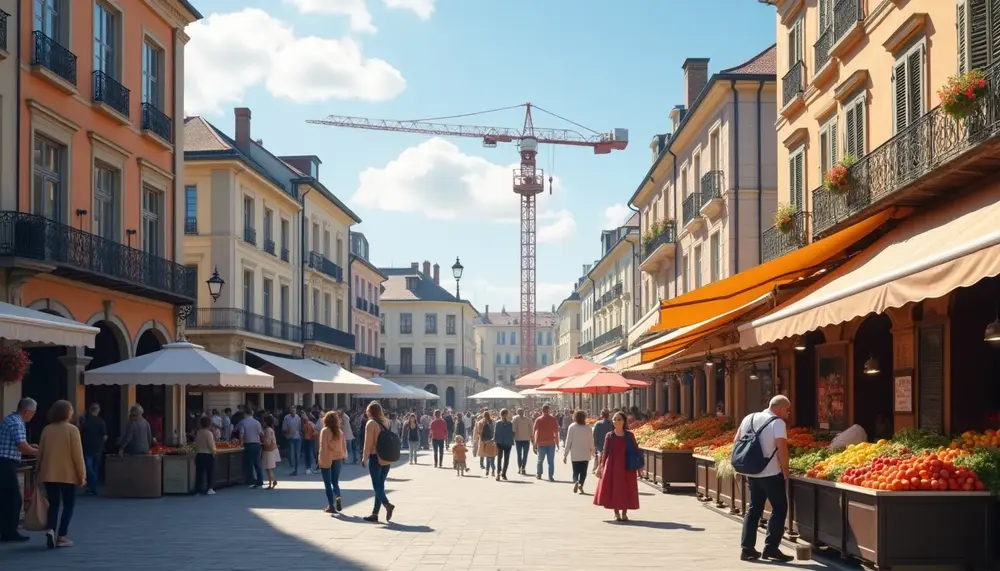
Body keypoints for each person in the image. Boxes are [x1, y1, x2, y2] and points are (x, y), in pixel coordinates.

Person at [736, 395, 793, 562]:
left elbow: (737, 441)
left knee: (753, 510)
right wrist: (786, 472)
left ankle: (747, 549)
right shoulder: (778, 423)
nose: (788, 413)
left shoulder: (749, 418)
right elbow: (782, 449)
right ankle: (771, 549)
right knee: (780, 509)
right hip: (771, 473)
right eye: (787, 409)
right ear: (780, 408)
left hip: (752, 472)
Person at [36, 400, 86, 548]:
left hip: (49, 473)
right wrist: (82, 475)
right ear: (67, 413)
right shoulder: (72, 430)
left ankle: (51, 529)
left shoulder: (47, 429)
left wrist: (39, 469)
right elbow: (77, 455)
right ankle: (62, 535)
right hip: (68, 475)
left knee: (54, 503)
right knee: (69, 505)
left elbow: (40, 452)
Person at [593, 411, 640, 521]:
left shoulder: (629, 435)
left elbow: (635, 450)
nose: (616, 421)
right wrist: (601, 466)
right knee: (615, 488)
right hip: (612, 465)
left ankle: (624, 513)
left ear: (624, 421)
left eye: (619, 419)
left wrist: (639, 465)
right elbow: (605, 451)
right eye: (614, 419)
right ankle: (616, 512)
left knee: (627, 488)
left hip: (627, 465)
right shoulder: (609, 435)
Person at [361, 401, 396, 523]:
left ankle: (387, 504)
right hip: (387, 457)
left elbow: (368, 443)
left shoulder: (371, 423)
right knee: (380, 485)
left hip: (376, 457)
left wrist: (364, 458)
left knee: (376, 485)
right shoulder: (387, 421)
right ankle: (375, 513)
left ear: (370, 411)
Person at [318, 411, 347, 514]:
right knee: (335, 482)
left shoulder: (325, 431)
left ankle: (331, 505)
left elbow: (323, 447)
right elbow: (343, 445)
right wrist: (344, 455)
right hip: (338, 458)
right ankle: (337, 496)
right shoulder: (340, 431)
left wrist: (320, 460)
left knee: (327, 483)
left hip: (327, 458)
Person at [78, 403, 106, 496]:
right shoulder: (101, 421)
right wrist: (101, 443)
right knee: (95, 467)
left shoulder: (85, 421)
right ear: (97, 411)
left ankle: (92, 485)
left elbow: (80, 433)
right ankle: (93, 485)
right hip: (98, 447)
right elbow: (105, 436)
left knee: (88, 467)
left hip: (87, 446)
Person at [564, 410, 595, 494]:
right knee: (583, 471)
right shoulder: (588, 428)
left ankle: (576, 481)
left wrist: (565, 454)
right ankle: (581, 484)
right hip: (585, 453)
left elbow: (568, 441)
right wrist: (593, 450)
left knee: (575, 471)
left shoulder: (572, 427)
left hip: (575, 454)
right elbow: (591, 441)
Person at [236, 410, 265, 489]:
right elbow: (261, 433)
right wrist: (263, 441)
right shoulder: (257, 422)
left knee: (248, 463)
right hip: (256, 444)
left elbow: (241, 434)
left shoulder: (243, 422)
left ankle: (250, 479)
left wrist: (241, 443)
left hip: (248, 444)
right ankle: (260, 479)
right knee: (257, 463)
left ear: (245, 414)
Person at [532, 404, 560, 481]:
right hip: (551, 443)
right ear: (549, 410)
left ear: (542, 410)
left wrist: (534, 444)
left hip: (541, 443)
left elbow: (535, 432)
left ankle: (539, 474)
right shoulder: (553, 419)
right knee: (550, 461)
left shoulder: (538, 420)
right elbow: (556, 432)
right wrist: (557, 443)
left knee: (540, 460)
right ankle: (550, 476)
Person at [194, 415, 217, 495]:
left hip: (199, 454)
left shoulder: (198, 432)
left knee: (199, 473)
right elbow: (210, 444)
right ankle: (210, 488)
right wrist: (214, 452)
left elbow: (196, 443)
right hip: (208, 454)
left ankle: (198, 489)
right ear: (209, 424)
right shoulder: (209, 433)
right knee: (210, 472)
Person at [493, 409, 514, 481]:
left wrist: (495, 440)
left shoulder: (500, 423)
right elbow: (512, 433)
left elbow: (495, 433)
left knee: (501, 458)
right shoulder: (508, 423)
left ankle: (500, 473)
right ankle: (502, 473)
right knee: (504, 459)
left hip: (503, 442)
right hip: (504, 442)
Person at [260, 415, 280, 489]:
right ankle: (272, 482)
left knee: (268, 468)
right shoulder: (271, 429)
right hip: (271, 450)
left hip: (268, 450)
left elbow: (267, 442)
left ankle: (272, 482)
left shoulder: (268, 430)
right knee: (269, 468)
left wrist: (262, 442)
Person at [591, 409, 613, 475]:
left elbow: (595, 435)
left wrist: (595, 444)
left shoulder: (598, 424)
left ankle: (599, 470)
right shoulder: (612, 423)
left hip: (600, 444)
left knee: (600, 457)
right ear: (608, 415)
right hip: (610, 444)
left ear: (602, 415)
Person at [282, 408, 302, 476]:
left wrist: (300, 433)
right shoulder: (286, 418)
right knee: (291, 454)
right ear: (290, 411)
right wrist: (288, 431)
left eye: (294, 410)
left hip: (298, 437)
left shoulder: (298, 418)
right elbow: (284, 428)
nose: (293, 411)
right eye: (292, 410)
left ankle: (295, 470)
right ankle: (292, 467)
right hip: (290, 438)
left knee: (297, 454)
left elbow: (300, 428)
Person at [512, 408, 532, 475]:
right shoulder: (528, 420)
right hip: (526, 439)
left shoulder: (515, 419)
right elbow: (531, 431)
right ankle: (523, 468)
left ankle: (520, 468)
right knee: (525, 455)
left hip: (518, 440)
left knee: (519, 454)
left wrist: (512, 439)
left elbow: (513, 430)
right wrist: (532, 440)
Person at [477, 411, 497, 477]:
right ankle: (491, 470)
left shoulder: (482, 422)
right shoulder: (492, 422)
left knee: (488, 457)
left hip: (486, 441)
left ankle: (488, 470)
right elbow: (495, 431)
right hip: (491, 441)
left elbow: (479, 433)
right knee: (491, 457)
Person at [300, 410, 317, 475]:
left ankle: (308, 468)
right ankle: (308, 468)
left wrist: (311, 436)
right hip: (307, 439)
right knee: (308, 454)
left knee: (308, 454)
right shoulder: (306, 423)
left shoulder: (309, 423)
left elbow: (315, 431)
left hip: (309, 440)